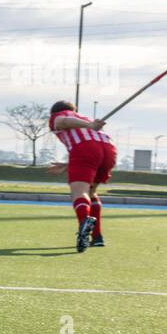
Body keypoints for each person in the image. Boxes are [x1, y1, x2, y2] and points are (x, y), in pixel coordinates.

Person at [46, 101, 116, 251]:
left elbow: (63, 122)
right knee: (91, 192)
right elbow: (93, 149)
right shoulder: (87, 118)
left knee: (79, 192)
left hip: (85, 148)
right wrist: (67, 165)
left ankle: (84, 223)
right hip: (108, 149)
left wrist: (89, 125)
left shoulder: (57, 116)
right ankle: (97, 237)